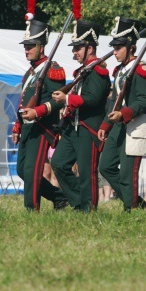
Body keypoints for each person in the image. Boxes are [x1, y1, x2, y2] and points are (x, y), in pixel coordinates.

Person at [51, 20, 111, 212]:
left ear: (90, 48)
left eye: (78, 48)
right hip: (73, 127)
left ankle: (88, 209)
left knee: (87, 172)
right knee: (59, 163)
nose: (74, 52)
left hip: (88, 128)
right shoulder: (84, 71)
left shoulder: (99, 71)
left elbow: (92, 99)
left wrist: (67, 99)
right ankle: (79, 201)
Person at [12, 18, 68, 211]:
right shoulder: (31, 72)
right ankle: (59, 197)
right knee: (22, 170)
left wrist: (37, 112)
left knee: (32, 170)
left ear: (41, 47)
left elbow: (57, 99)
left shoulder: (53, 70)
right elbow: (24, 100)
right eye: (25, 46)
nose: (26, 50)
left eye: (30, 46)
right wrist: (17, 126)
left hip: (43, 127)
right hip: (28, 127)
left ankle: (32, 209)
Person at [98, 16, 146, 212]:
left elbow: (144, 100)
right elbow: (114, 101)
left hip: (135, 124)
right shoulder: (120, 71)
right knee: (105, 166)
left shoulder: (142, 69)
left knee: (127, 174)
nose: (114, 52)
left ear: (130, 47)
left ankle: (130, 210)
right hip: (119, 124)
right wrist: (106, 124)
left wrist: (123, 114)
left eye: (119, 47)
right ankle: (135, 203)